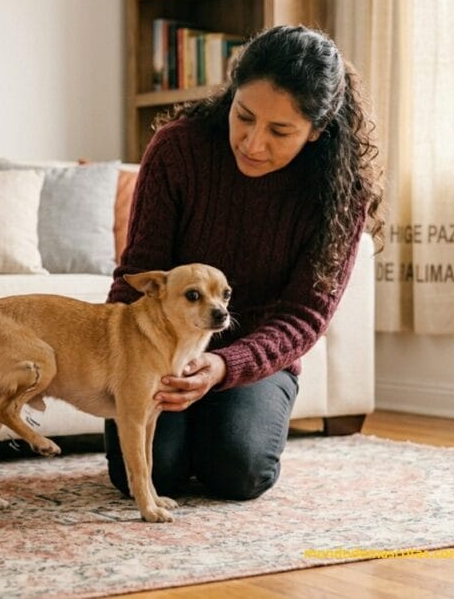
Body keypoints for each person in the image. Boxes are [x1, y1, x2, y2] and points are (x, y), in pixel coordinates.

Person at [104, 25, 384, 501]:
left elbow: (304, 316)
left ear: (317, 130)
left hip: (257, 357)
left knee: (238, 472)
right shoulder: (178, 150)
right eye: (244, 116)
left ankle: (220, 428)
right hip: (162, 347)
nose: (253, 144)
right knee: (152, 474)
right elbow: (139, 273)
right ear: (230, 95)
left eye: (280, 131)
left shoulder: (340, 194)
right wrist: (122, 365)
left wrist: (221, 365)